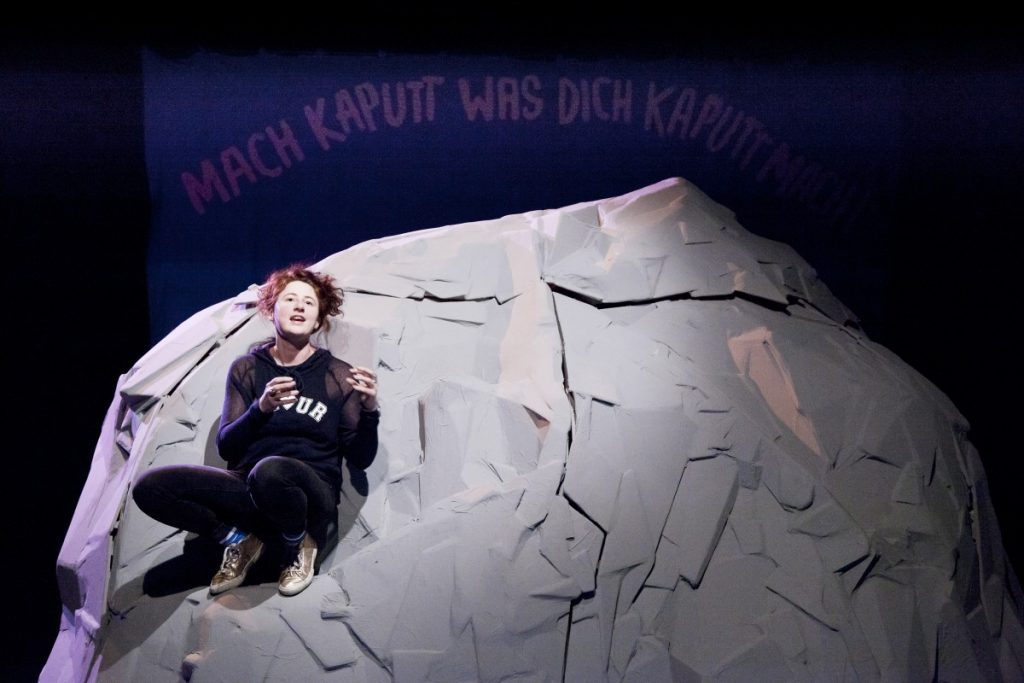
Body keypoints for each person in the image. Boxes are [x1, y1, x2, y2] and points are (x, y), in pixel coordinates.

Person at [132, 264, 379, 596]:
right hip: (251, 488)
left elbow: (361, 458)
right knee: (151, 487)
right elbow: (227, 447)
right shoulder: (247, 369)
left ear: (318, 320)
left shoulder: (338, 376)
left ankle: (299, 544)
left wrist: (370, 410)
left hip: (310, 493)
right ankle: (240, 540)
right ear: (271, 309)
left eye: (309, 302)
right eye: (290, 299)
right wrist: (260, 409)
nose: (299, 306)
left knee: (271, 471)